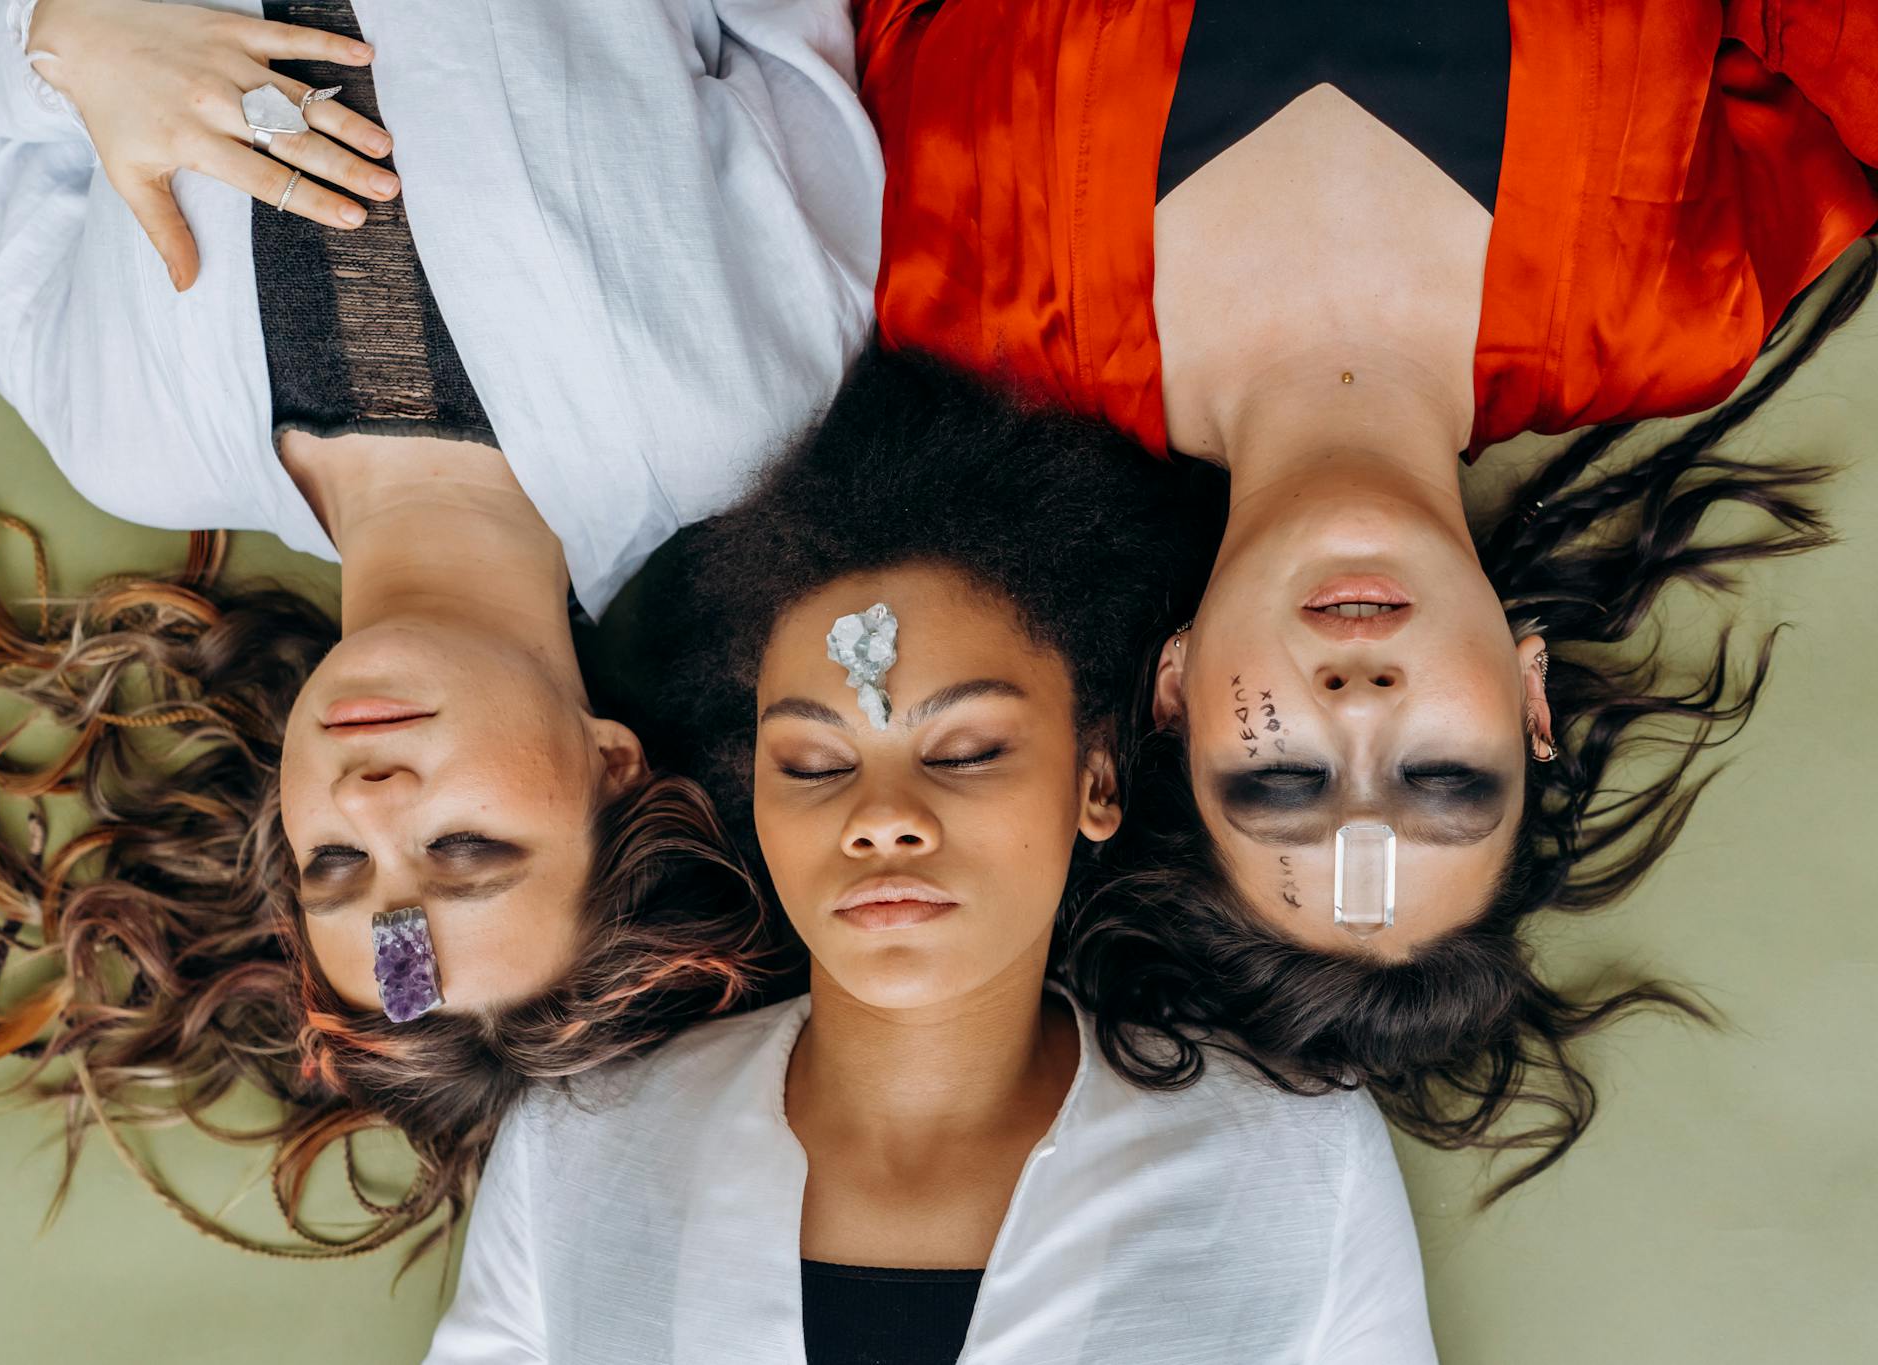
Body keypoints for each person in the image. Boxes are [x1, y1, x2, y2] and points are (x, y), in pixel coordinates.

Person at [0, 0, 879, 1256]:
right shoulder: (729, 406)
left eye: (338, 867)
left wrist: (59, 39)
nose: (376, 798)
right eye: (464, 846)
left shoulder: (126, 432)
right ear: (612, 768)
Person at [851, 0, 1878, 1190]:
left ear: (1172, 690)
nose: (1357, 701)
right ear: (1528, 700)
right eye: (1440, 775)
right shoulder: (1675, 308)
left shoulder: (968, 307)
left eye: (1280, 778)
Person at [426, 346, 1435, 1365]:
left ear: (1094, 780)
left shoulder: (1292, 1168)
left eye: (963, 751)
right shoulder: (579, 1150)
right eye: (814, 762)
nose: (881, 817)